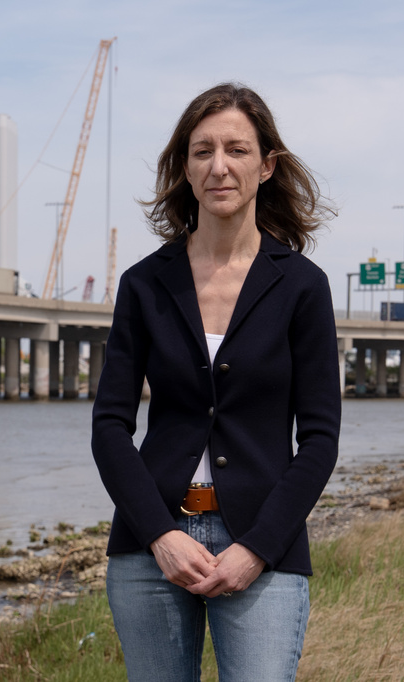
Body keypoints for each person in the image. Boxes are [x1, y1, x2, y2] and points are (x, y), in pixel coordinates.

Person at [91, 82, 341, 682]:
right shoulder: (145, 283)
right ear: (184, 167)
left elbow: (320, 439)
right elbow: (109, 427)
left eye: (236, 149)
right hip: (152, 543)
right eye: (202, 151)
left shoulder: (303, 286)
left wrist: (257, 548)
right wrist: (160, 535)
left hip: (263, 544)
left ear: (266, 166)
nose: (219, 166)